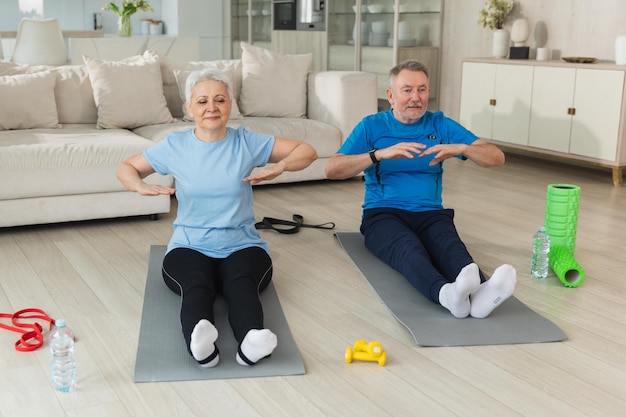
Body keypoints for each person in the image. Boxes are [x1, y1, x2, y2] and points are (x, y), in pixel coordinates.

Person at [117, 69, 317, 367]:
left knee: (241, 285)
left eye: (219, 99)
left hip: (243, 244)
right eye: (202, 101)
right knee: (197, 284)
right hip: (189, 244)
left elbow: (308, 151)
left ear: (230, 106)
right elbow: (126, 168)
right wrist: (139, 185)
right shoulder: (175, 146)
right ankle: (200, 341)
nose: (211, 107)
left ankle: (252, 340)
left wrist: (281, 166)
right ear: (189, 109)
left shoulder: (247, 142)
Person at [325, 60, 516, 319]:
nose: (416, 97)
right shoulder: (372, 126)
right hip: (383, 214)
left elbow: (496, 157)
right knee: (408, 248)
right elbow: (332, 169)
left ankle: (482, 296)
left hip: (430, 213)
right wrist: (378, 154)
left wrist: (462, 148)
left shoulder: (439, 124)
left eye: (422, 90)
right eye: (407, 90)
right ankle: (446, 294)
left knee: (450, 247)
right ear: (390, 96)